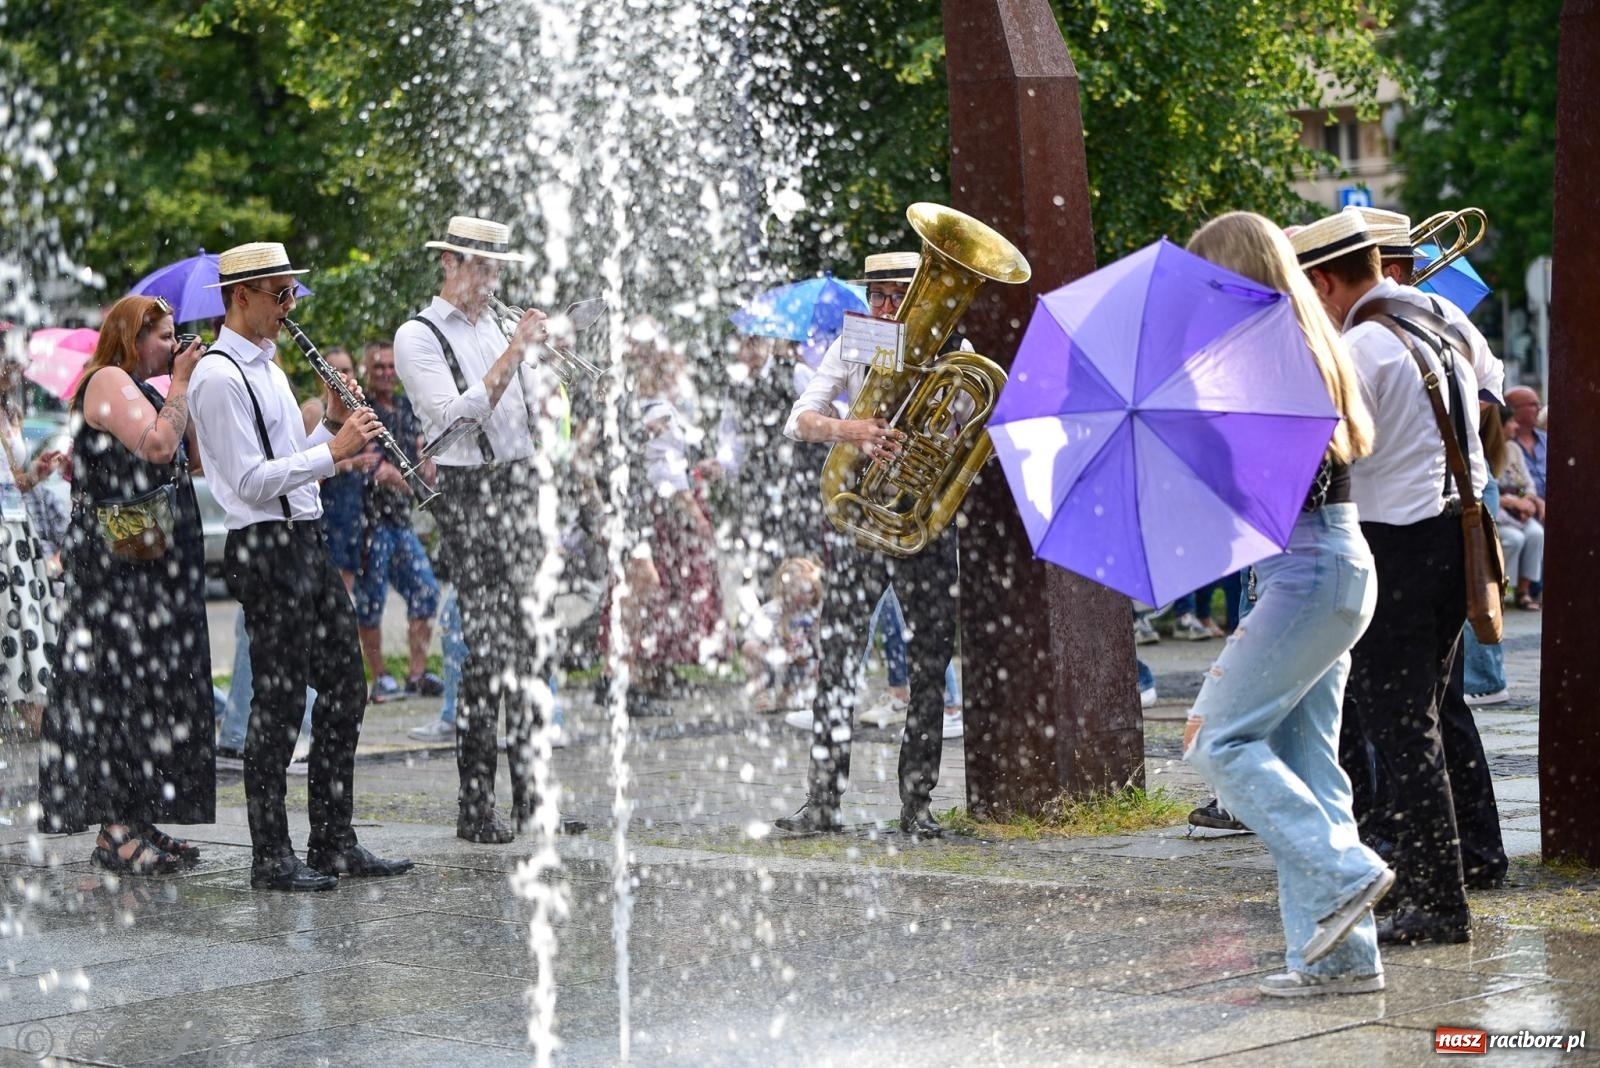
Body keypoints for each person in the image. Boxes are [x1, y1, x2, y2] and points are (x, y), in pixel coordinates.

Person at [1183, 211, 1391, 996]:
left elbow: (1261, 491)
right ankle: (1339, 959)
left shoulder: (1264, 357)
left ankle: (1345, 872)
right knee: (1311, 765)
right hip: (1324, 569)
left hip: (1308, 573)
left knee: (1215, 740)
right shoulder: (1306, 343)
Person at [187, 242, 412, 890]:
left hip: (303, 540)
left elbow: (296, 467)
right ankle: (270, 855)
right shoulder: (219, 376)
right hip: (263, 548)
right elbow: (250, 482)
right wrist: (332, 450)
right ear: (241, 297)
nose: (289, 307)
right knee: (279, 703)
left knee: (347, 685)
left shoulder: (268, 369)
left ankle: (332, 838)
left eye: (291, 295)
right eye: (279, 295)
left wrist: (332, 432)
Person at [1292, 209, 1490, 945]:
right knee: (1425, 719)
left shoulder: (1363, 350)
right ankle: (1425, 875)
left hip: (1397, 548)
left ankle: (1439, 900)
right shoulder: (1438, 323)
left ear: (1324, 281)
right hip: (1450, 538)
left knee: (1400, 730)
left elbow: (1323, 458)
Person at [392, 216, 584, 842]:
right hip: (469, 493)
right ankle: (475, 807)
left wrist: (552, 366)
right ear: (448, 262)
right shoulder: (417, 336)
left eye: (497, 267)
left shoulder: (499, 324)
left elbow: (531, 410)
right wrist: (514, 353)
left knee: (533, 648)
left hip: (522, 485)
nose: (490, 278)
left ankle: (534, 799)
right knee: (487, 651)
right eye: (479, 265)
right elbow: (451, 419)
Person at [775, 250, 965, 838]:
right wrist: (849, 429)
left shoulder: (951, 353)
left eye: (895, 296)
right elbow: (798, 419)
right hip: (861, 517)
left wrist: (922, 445)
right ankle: (823, 800)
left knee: (931, 661)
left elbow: (962, 436)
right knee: (837, 656)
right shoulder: (855, 342)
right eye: (876, 295)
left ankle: (918, 804)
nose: (883, 308)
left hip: (919, 521)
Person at [37, 295, 212, 873]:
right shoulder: (109, 378)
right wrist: (182, 382)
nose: (174, 344)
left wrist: (188, 388)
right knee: (117, 689)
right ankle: (114, 830)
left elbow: (191, 460)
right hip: (114, 571)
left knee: (149, 691)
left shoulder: (151, 389)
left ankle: (136, 817)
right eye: (163, 336)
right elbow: (156, 446)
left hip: (148, 565)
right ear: (132, 339)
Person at [351, 340, 443, 700]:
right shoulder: (362, 410)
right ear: (367, 372)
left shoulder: (406, 408)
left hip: (401, 521)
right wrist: (415, 483)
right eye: (379, 368)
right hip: (370, 523)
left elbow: (423, 454)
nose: (387, 373)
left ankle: (417, 673)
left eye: (391, 367)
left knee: (425, 590)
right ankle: (380, 677)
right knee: (371, 601)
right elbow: (378, 469)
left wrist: (426, 464)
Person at [0, 352, 62, 739]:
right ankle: (31, 719)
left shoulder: (11, 414)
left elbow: (11, 481)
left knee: (28, 623)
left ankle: (35, 719)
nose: (12, 369)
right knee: (14, 622)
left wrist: (35, 474)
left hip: (18, 530)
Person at [298, 345, 375, 594]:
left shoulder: (359, 409)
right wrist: (351, 463)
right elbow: (303, 468)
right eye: (335, 370)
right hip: (325, 515)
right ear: (320, 376)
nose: (343, 376)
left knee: (347, 594)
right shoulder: (313, 410)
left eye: (347, 370)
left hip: (353, 513)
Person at [742, 556, 823, 713]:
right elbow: (748, 645)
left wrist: (818, 657)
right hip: (774, 662)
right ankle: (764, 694)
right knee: (751, 648)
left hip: (802, 664)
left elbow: (818, 642)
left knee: (822, 661)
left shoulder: (813, 612)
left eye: (811, 590)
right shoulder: (772, 611)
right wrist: (773, 652)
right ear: (786, 589)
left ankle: (790, 696)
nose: (807, 596)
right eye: (802, 590)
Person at [1499, 396, 1545, 610]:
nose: (1515, 425)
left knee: (1536, 533)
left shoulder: (1513, 450)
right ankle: (1498, 590)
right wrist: (1513, 504)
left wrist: (1528, 501)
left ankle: (1523, 591)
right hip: (1501, 516)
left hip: (1521, 513)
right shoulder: (1488, 451)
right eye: (1510, 422)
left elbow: (1527, 482)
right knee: (1515, 539)